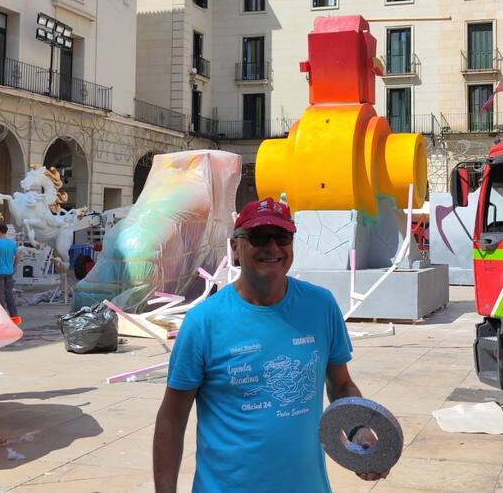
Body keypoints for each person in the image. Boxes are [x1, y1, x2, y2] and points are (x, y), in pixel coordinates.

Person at [153, 198, 389, 492]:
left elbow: (341, 386)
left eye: (282, 237)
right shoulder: (204, 321)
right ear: (236, 247)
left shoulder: (321, 305)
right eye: (259, 237)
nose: (273, 247)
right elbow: (172, 419)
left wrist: (359, 431)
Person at [0, 224, 18, 317]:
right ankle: (14, 315)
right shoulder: (11, 243)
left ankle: (2, 315)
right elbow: (17, 256)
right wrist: (14, 266)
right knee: (9, 294)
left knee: (0, 294)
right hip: (9, 272)